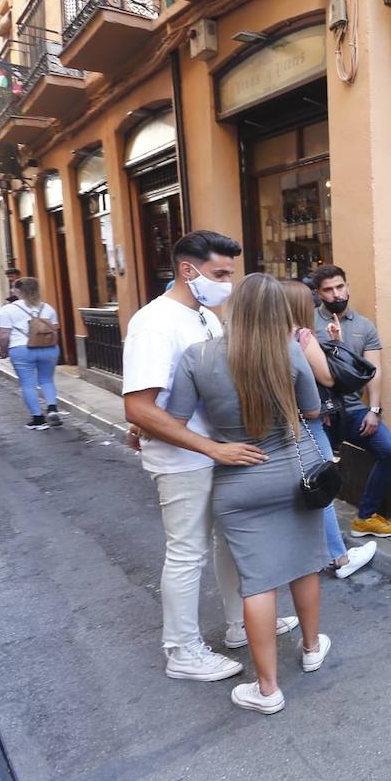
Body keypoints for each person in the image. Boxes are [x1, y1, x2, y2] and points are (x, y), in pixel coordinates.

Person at [122, 231, 294, 683]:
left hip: (216, 453)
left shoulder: (204, 318)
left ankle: (241, 623)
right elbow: (138, 405)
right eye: (220, 273)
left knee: (229, 544)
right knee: (187, 552)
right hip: (186, 459)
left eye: (230, 274)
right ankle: (182, 649)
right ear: (187, 270)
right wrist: (212, 447)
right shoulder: (155, 322)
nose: (228, 283)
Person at [163, 273, 331, 714]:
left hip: (237, 479)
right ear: (279, 312)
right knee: (305, 564)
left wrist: (217, 446)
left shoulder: (197, 356)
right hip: (293, 474)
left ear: (233, 308)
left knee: (257, 583)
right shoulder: (291, 352)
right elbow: (312, 410)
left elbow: (174, 420)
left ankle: (268, 688)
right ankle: (312, 648)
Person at [282, 279, 375, 580]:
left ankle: (312, 551)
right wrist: (335, 345)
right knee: (320, 487)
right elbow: (327, 378)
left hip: (279, 426)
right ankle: (340, 556)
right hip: (308, 423)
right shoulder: (301, 336)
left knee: (297, 490)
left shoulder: (265, 338)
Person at [310, 264, 391, 540]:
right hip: (320, 413)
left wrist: (374, 410)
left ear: (347, 286)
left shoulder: (364, 326)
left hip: (353, 410)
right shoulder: (308, 323)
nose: (336, 294)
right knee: (318, 471)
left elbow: (375, 371)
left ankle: (365, 517)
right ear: (319, 293)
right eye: (328, 290)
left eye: (340, 287)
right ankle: (319, 535)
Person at [0, 277, 62, 429]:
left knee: (28, 384)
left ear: (18, 291)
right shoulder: (48, 308)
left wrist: (4, 350)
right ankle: (52, 408)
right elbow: (55, 331)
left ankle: (38, 419)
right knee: (47, 379)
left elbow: (4, 335)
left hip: (21, 349)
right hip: (49, 349)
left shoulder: (8, 309)